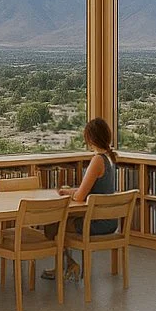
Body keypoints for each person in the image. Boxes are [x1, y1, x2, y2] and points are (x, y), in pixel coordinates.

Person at [41, 117, 118, 282]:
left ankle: (66, 265)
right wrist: (70, 192)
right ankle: (68, 264)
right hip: (110, 220)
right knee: (58, 223)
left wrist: (70, 193)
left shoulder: (97, 160)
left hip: (96, 223)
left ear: (90, 138)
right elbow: (89, 189)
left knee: (52, 224)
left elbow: (81, 196)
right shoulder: (111, 158)